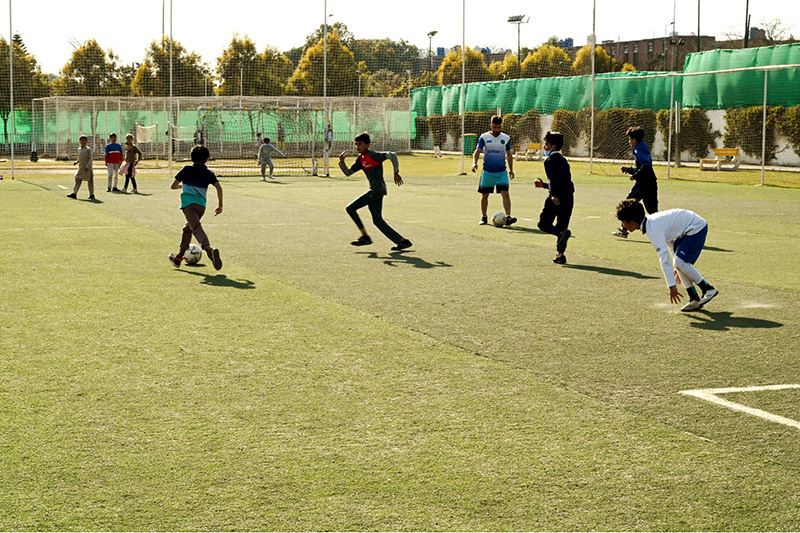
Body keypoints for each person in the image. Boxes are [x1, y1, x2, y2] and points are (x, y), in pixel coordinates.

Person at [615, 198, 719, 312]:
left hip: (696, 227)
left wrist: (672, 286)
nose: (622, 225)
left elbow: (663, 259)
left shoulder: (653, 229)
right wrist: (678, 266)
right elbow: (670, 242)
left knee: (679, 262)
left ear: (632, 223)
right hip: (687, 229)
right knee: (678, 263)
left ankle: (708, 289)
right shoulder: (651, 223)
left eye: (623, 222)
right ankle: (694, 298)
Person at [338, 132, 413, 251]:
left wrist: (396, 172)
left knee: (350, 208)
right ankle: (402, 241)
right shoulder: (360, 159)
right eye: (356, 144)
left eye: (360, 144)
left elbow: (392, 155)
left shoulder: (373, 155)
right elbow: (348, 173)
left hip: (376, 190)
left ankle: (365, 237)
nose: (358, 147)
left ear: (367, 145)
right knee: (377, 220)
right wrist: (342, 162)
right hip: (376, 190)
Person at [168, 145, 224, 270]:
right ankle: (179, 257)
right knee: (187, 229)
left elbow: (173, 186)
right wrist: (220, 205)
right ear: (207, 159)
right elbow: (219, 187)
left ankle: (208, 249)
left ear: (191, 158)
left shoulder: (186, 169)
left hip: (188, 205)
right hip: (201, 207)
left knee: (196, 227)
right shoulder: (209, 173)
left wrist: (183, 186)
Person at [535, 131, 574, 264]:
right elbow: (564, 180)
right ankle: (560, 255)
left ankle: (560, 234)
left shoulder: (549, 160)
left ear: (552, 147)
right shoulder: (564, 161)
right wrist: (544, 185)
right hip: (569, 197)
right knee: (562, 225)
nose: (544, 147)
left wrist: (553, 195)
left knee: (543, 223)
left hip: (556, 197)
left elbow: (553, 180)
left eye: (546, 144)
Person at [613, 126, 658, 238]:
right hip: (651, 182)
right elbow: (643, 167)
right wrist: (629, 170)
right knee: (653, 210)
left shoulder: (638, 149)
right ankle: (664, 231)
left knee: (628, 204)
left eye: (630, 139)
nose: (629, 142)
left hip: (643, 184)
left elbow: (646, 167)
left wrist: (635, 176)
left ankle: (623, 230)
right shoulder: (643, 147)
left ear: (634, 140)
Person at [471, 115, 516, 226]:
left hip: (501, 172)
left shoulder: (506, 138)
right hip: (487, 172)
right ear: (491, 125)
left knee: (505, 193)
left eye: (499, 127)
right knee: (485, 195)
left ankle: (508, 217)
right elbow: (477, 151)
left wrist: (511, 170)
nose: (496, 130)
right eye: (495, 127)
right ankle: (484, 217)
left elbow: (509, 155)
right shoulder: (484, 137)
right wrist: (474, 163)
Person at [66, 135, 95, 201]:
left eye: (85, 140)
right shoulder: (79, 149)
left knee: (90, 182)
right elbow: (79, 157)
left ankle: (91, 194)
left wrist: (88, 166)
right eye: (82, 140)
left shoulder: (88, 150)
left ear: (87, 141)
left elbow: (91, 159)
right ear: (79, 141)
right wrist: (76, 161)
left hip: (87, 168)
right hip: (81, 168)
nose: (83, 142)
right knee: (77, 180)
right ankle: (74, 193)